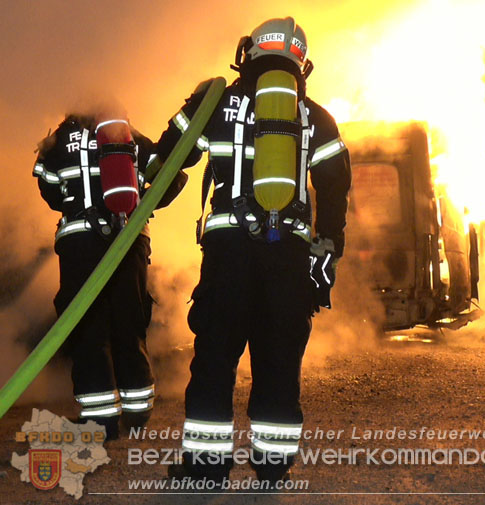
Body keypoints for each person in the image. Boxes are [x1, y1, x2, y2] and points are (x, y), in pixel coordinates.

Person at [156, 17, 351, 483]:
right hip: (288, 261)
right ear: (301, 61)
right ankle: (272, 468)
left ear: (248, 52)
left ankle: (204, 471)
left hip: (227, 256)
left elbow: (168, 161)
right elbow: (335, 186)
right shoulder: (316, 116)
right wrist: (326, 251)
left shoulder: (216, 103)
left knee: (214, 362)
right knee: (279, 362)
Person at [33, 111, 186, 440]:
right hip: (129, 242)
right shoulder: (126, 134)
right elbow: (171, 176)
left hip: (79, 244)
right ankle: (138, 413)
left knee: (87, 331)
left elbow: (48, 192)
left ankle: (100, 422)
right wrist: (140, 205)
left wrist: (77, 204)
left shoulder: (58, 141)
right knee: (130, 325)